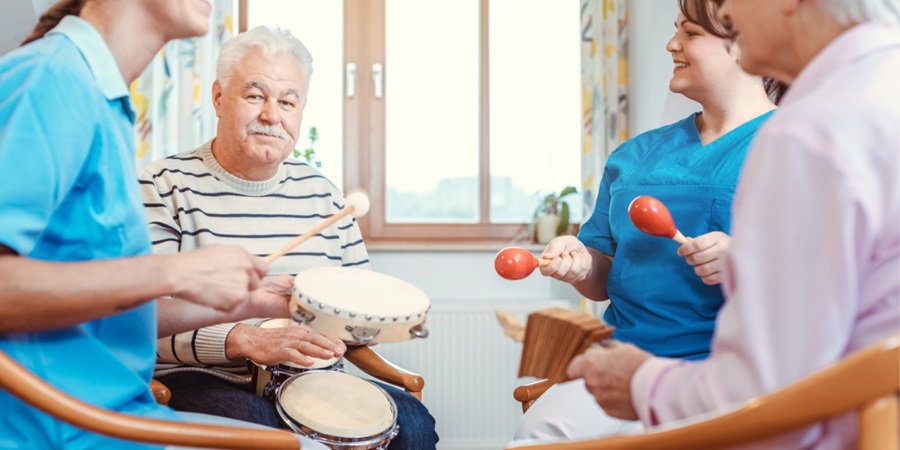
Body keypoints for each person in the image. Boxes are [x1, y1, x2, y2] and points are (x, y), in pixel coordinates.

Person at [561, 0, 900, 448]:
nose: (728, 15)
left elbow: (766, 390)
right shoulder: (878, 87)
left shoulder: (810, 130)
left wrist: (640, 383)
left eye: (725, 7)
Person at [0, 1, 328, 449]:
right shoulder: (52, 79)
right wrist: (175, 272)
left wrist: (250, 303)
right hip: (61, 429)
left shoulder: (102, 100)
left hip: (119, 415)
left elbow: (110, 313)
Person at [138, 26, 439, 450]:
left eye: (287, 101)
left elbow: (359, 311)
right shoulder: (161, 185)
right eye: (255, 95)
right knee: (258, 429)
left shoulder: (326, 196)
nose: (271, 114)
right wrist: (245, 339)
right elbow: (140, 319)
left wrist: (370, 322)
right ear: (219, 98)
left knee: (414, 424)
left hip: (314, 380)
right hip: (203, 376)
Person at [514, 0, 782, 441]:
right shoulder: (633, 157)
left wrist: (746, 260)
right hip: (619, 362)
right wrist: (582, 262)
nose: (671, 43)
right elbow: (602, 275)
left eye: (691, 33)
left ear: (743, 42)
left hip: (723, 376)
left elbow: (824, 279)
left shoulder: (791, 146)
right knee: (535, 435)